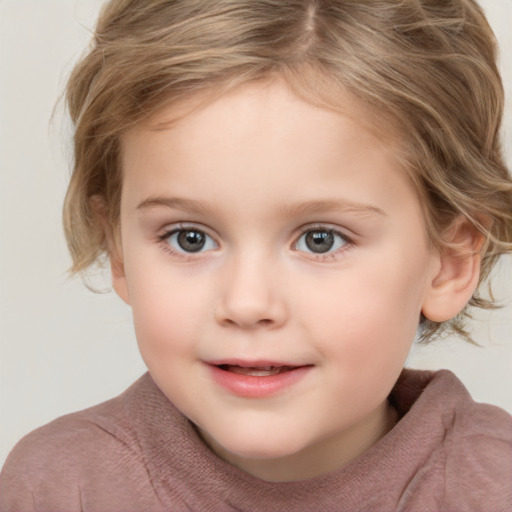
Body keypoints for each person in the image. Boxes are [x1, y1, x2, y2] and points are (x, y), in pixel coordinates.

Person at [1, 0, 511, 510]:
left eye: (321, 239)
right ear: (118, 251)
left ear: (449, 260)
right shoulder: (61, 488)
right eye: (189, 238)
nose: (246, 303)